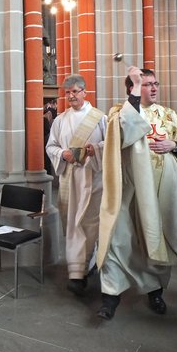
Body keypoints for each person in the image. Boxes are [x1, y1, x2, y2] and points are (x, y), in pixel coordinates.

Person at [96, 67, 177, 320]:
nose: (153, 88)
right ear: (132, 88)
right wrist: (133, 94)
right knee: (118, 239)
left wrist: (175, 145)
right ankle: (110, 296)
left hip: (162, 189)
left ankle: (155, 292)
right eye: (145, 84)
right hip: (129, 191)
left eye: (155, 83)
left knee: (157, 238)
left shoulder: (168, 114)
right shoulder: (119, 113)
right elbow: (123, 131)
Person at [46, 75, 106, 296]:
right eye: (68, 92)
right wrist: (63, 154)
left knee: (90, 224)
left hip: (93, 179)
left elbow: (111, 145)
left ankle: (85, 268)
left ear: (84, 92)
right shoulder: (60, 120)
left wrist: (94, 150)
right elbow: (51, 146)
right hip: (69, 179)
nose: (71, 96)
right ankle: (77, 271)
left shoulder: (100, 118)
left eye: (75, 91)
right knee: (72, 224)